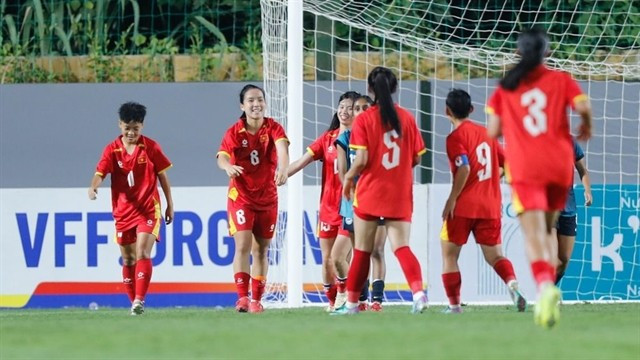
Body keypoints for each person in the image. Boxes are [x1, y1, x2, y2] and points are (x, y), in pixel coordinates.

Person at [487, 28, 592, 328]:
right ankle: (550, 288)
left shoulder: (506, 86)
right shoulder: (561, 80)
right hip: (558, 166)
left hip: (525, 168)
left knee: (536, 234)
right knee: (548, 227)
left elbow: (493, 132)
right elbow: (583, 107)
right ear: (547, 52)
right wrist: (586, 125)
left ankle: (545, 286)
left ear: (518, 53)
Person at [334, 66, 428, 315]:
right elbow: (417, 158)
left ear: (369, 89)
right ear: (395, 87)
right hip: (399, 193)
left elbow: (362, 159)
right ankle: (418, 294)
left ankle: (352, 305)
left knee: (363, 250)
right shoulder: (406, 117)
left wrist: (350, 178)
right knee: (401, 247)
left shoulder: (364, 119)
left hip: (370, 193)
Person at [440, 89, 526, 314]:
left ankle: (454, 306)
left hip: (463, 207)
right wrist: (495, 178)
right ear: (471, 109)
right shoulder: (488, 134)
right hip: (490, 206)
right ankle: (511, 283)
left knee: (449, 255)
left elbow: (464, 167)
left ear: (446, 111)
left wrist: (452, 198)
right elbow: (510, 164)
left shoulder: (455, 138)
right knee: (495, 255)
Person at [88, 101, 174, 316]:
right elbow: (100, 173)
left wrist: (170, 205)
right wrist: (93, 188)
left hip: (148, 209)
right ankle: (134, 305)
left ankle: (139, 299)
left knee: (143, 251)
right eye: (127, 128)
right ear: (120, 125)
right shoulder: (111, 150)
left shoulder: (151, 147)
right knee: (128, 259)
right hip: (123, 212)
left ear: (142, 127)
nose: (131, 133)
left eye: (135, 128)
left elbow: (163, 176)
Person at [217, 84, 289, 313]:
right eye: (250, 100)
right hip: (242, 196)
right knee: (243, 245)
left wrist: (284, 169)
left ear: (265, 103)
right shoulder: (234, 131)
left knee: (261, 249)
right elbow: (222, 157)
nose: (256, 104)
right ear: (242, 105)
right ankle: (242, 298)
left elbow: (282, 150)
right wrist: (228, 166)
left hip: (268, 197)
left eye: (259, 99)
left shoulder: (274, 127)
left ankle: (257, 300)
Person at [288, 91, 360, 311]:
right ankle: (332, 300)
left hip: (351, 207)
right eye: (342, 106)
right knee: (328, 259)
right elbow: (301, 161)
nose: (344, 111)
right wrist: (280, 175)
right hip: (328, 208)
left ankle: (348, 296)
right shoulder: (327, 139)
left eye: (350, 107)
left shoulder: (362, 140)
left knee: (346, 256)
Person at [334, 94, 388, 312]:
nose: (360, 111)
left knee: (377, 250)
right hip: (355, 202)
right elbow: (342, 172)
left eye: (366, 107)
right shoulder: (345, 138)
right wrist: (354, 190)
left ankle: (377, 300)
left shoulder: (382, 137)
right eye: (357, 108)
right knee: (359, 251)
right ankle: (360, 300)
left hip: (379, 199)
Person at [555, 138, 592, 284]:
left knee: (563, 261)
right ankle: (545, 294)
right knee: (552, 258)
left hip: (568, 208)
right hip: (547, 208)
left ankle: (544, 293)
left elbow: (582, 169)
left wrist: (587, 190)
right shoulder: (538, 140)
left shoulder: (569, 141)